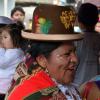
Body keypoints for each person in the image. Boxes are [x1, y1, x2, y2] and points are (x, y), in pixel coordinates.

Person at [6, 4, 83, 100]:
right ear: (42, 60)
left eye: (74, 52)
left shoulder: (62, 87)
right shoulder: (33, 94)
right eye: (67, 54)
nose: (75, 59)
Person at [74, 3, 100, 86]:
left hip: (78, 87)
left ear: (78, 20)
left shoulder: (76, 40)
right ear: (97, 19)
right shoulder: (98, 38)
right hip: (96, 87)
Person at [0, 16, 25, 100]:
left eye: (5, 37)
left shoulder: (14, 52)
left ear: (15, 38)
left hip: (4, 88)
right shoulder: (12, 51)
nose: (2, 40)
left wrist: (1, 48)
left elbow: (2, 62)